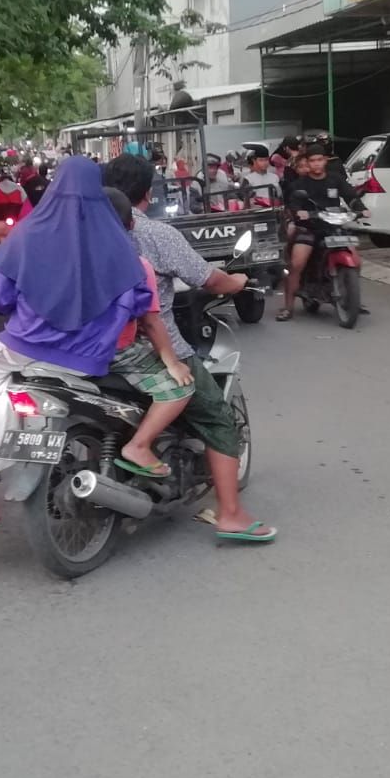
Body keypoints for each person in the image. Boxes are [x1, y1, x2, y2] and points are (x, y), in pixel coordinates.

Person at [0, 157, 154, 546]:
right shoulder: (117, 242)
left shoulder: (29, 234)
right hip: (88, 362)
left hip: (23, 350)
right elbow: (139, 301)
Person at [104, 154, 274, 542]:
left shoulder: (77, 235)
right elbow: (208, 281)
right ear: (147, 194)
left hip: (79, 351)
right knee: (217, 417)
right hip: (147, 345)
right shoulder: (155, 235)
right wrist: (238, 280)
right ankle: (230, 514)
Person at [101, 186, 197, 477]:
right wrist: (173, 362)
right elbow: (152, 322)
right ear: (130, 225)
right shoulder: (136, 265)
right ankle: (139, 445)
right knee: (181, 388)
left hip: (63, 352)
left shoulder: (66, 258)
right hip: (114, 352)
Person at [278, 147, 363, 323]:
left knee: (356, 259)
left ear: (325, 160)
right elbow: (293, 203)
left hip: (332, 227)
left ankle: (353, 298)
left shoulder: (335, 179)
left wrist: (361, 208)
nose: (316, 163)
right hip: (308, 228)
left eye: (320, 159)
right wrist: (298, 212)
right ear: (308, 163)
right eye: (312, 160)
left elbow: (350, 196)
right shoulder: (300, 184)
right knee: (297, 264)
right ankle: (288, 307)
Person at [241, 143, 282, 208]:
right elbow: (245, 200)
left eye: (266, 160)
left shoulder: (275, 177)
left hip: (272, 210)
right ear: (254, 161)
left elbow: (279, 196)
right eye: (261, 160)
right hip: (256, 212)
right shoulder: (248, 179)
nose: (264, 163)